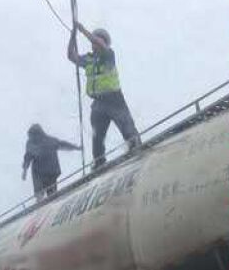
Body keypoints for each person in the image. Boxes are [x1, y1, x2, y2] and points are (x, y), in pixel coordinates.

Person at [68, 22, 141, 169]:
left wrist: (82, 30)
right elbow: (71, 56)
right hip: (98, 103)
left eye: (98, 39)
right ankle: (99, 162)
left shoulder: (108, 54)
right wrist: (73, 35)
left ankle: (136, 146)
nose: (95, 42)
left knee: (127, 127)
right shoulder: (89, 60)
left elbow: (99, 44)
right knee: (97, 138)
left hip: (114, 99)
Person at [22, 124, 81, 201]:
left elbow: (62, 144)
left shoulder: (47, 141)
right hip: (43, 172)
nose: (30, 138)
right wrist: (25, 170)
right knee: (44, 191)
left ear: (37, 134)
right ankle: (42, 199)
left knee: (49, 192)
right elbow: (28, 157)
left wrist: (76, 147)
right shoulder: (34, 143)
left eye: (31, 136)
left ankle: (46, 199)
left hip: (47, 172)